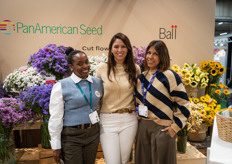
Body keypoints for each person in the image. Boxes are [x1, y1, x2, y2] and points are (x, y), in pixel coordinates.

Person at [134, 40, 190, 164]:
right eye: (148, 52)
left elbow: (184, 104)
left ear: (162, 56)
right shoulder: (141, 77)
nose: (150, 57)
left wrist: (174, 128)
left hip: (162, 130)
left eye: (155, 54)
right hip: (143, 128)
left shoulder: (169, 76)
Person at [48, 47, 103, 164]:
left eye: (86, 62)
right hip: (71, 137)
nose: (85, 66)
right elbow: (55, 118)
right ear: (71, 67)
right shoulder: (61, 86)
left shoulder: (97, 83)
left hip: (92, 134)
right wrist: (56, 145)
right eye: (79, 64)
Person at [95, 33, 141, 164]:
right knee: (112, 161)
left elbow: (140, 95)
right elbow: (95, 95)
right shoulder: (102, 68)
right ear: (111, 49)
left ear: (128, 49)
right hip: (108, 120)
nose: (119, 50)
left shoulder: (135, 69)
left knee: (124, 160)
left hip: (129, 120)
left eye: (123, 46)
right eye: (116, 46)